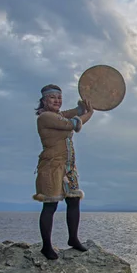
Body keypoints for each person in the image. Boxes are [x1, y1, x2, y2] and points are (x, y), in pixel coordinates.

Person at [32, 84, 94, 260]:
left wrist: (86, 104)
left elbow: (75, 111)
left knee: (73, 201)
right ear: (44, 100)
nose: (57, 101)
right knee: (50, 205)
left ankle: (73, 238)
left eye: (59, 98)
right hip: (52, 166)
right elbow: (72, 123)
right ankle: (46, 246)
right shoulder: (45, 117)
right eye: (52, 98)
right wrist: (88, 114)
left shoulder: (57, 115)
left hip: (68, 167)